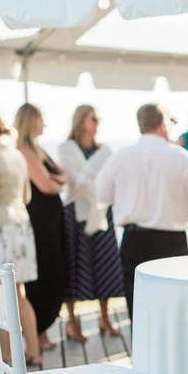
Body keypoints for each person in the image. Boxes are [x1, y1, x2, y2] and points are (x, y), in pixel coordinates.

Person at [96, 103, 188, 321]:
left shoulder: (120, 157)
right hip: (174, 243)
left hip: (134, 241)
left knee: (138, 311)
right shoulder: (181, 157)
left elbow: (101, 196)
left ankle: (141, 354)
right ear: (162, 126)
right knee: (175, 311)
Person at [58, 105, 124, 342]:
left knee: (106, 266)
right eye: (93, 118)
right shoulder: (67, 148)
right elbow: (76, 180)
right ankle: (72, 322)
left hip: (100, 214)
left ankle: (104, 318)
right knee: (74, 267)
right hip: (74, 214)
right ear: (81, 121)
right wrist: (93, 181)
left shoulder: (105, 151)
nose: (97, 122)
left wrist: (91, 181)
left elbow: (110, 180)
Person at [14, 103, 66, 351]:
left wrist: (57, 181)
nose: (44, 123)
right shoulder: (23, 150)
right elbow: (47, 185)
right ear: (30, 121)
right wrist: (57, 182)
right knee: (42, 273)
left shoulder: (39, 149)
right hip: (39, 221)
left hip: (52, 219)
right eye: (41, 118)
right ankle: (37, 335)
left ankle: (42, 330)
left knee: (53, 270)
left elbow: (61, 177)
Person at [0, 112, 40, 365]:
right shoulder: (17, 155)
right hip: (21, 226)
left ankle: (8, 357)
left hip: (0, 229)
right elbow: (26, 197)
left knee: (0, 297)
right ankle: (34, 350)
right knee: (19, 294)